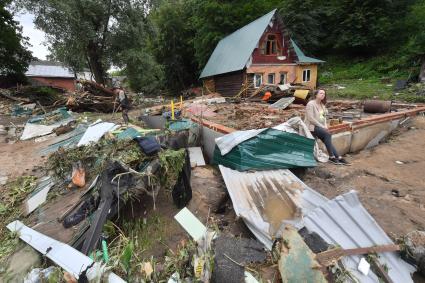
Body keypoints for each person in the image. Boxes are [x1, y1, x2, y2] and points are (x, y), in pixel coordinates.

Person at [305, 89, 350, 165]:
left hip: (319, 127)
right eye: (321, 93)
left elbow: (324, 118)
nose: (323, 95)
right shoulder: (311, 104)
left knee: (327, 139)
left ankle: (338, 157)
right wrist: (322, 126)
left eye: (324, 94)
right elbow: (310, 118)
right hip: (311, 126)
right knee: (327, 134)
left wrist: (325, 125)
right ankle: (332, 156)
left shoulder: (322, 106)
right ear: (316, 95)